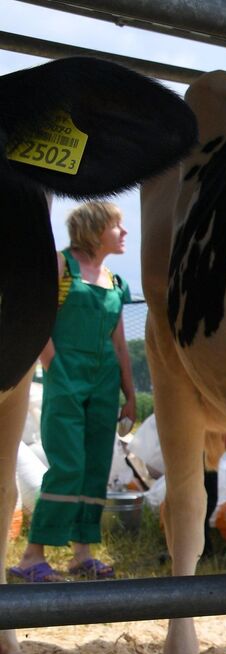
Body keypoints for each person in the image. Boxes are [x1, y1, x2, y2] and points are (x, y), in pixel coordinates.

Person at [8, 201, 137, 582]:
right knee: (68, 466)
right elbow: (40, 320)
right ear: (96, 230)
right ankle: (32, 556)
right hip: (66, 377)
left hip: (104, 384)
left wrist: (129, 395)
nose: (125, 233)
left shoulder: (116, 281)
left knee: (95, 468)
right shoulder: (61, 266)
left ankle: (82, 554)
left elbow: (120, 345)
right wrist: (54, 368)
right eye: (118, 226)